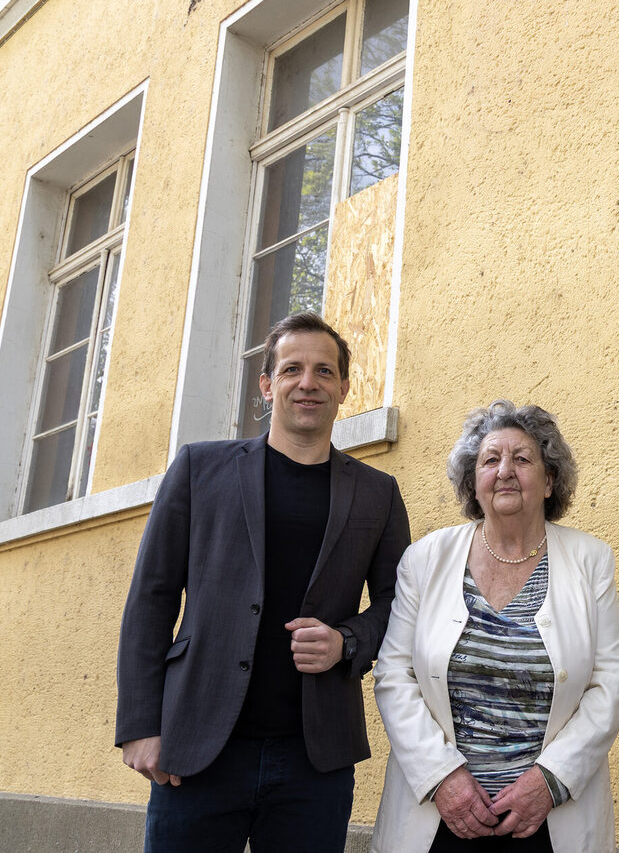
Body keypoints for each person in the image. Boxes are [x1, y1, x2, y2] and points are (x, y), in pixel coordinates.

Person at [116, 312, 411, 853]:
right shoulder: (198, 469)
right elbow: (151, 597)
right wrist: (140, 725)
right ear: (267, 383)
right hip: (199, 747)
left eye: (325, 372)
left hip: (315, 758)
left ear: (344, 388)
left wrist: (347, 641)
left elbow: (401, 603)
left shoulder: (377, 493)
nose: (308, 382)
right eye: (293, 368)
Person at [371, 400, 619, 853]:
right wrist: (442, 777)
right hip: (439, 816)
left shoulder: (591, 561)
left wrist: (551, 780)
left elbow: (611, 682)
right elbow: (394, 674)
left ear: (550, 480)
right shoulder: (425, 559)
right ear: (474, 481)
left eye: (523, 459)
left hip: (548, 818)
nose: (505, 471)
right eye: (490, 460)